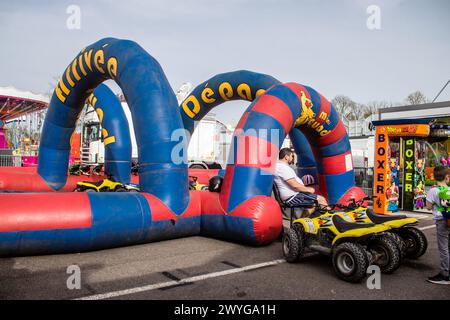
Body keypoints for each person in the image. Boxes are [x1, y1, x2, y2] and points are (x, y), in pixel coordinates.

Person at [274, 148, 328, 218]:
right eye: (292, 156)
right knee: (321, 199)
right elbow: (295, 185)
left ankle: (300, 223)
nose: (292, 158)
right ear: (286, 157)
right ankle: (330, 222)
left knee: (312, 204)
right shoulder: (283, 168)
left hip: (292, 195)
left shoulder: (280, 166)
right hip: (293, 197)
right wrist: (309, 189)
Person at [425, 165, 450, 285]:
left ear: (434, 177)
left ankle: (445, 275)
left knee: (444, 248)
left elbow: (428, 207)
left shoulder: (433, 190)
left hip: (442, 221)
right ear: (447, 177)